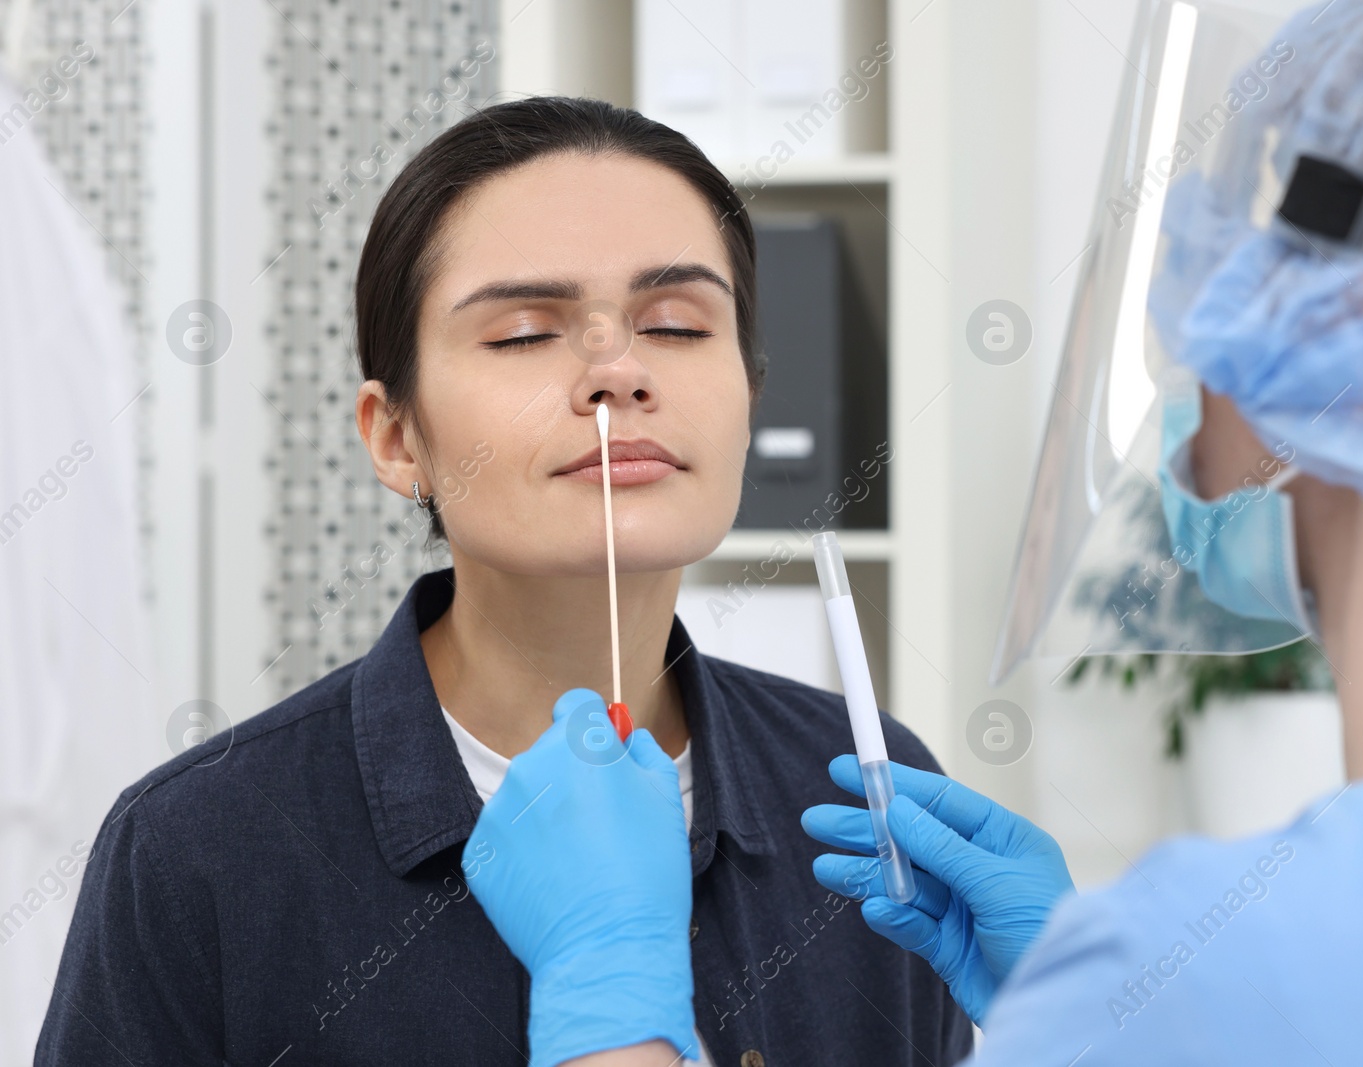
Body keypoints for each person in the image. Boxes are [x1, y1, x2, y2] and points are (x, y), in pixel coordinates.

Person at [462, 0, 1363, 1063]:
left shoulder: (1217, 974)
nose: (616, 378)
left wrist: (605, 989)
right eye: (520, 333)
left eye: (1244, 286)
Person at [35, 97, 971, 1066]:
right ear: (397, 438)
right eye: (525, 332)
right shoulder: (203, 846)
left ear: (748, 398)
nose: (617, 371)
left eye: (677, 324)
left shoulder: (864, 789)